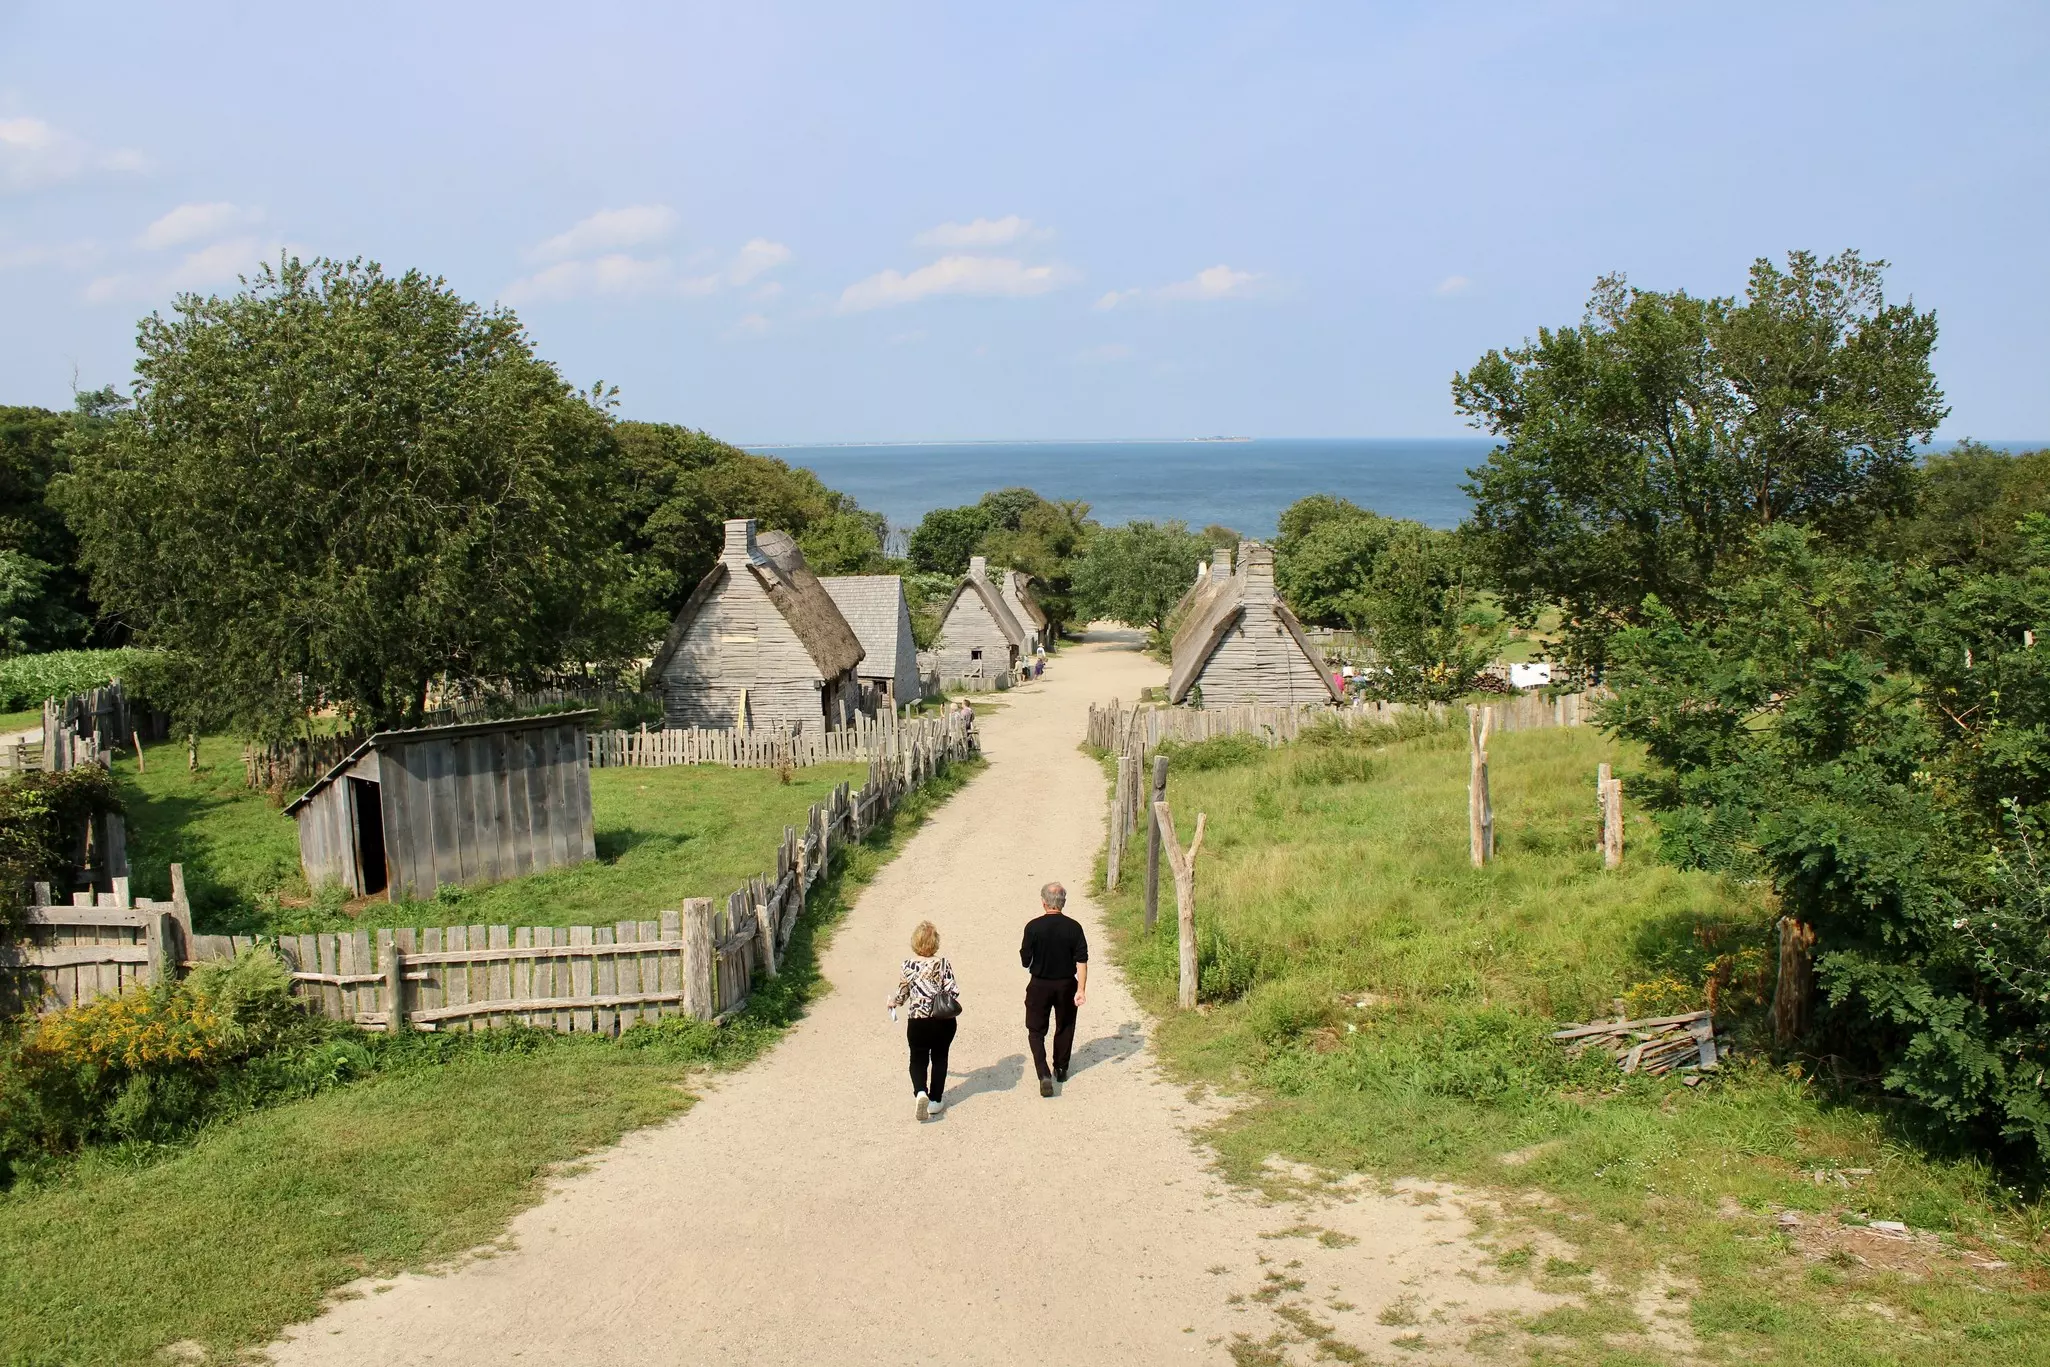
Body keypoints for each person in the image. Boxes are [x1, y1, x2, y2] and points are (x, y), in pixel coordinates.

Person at [887, 920, 960, 1122]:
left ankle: (920, 1091)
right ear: (935, 942)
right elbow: (954, 990)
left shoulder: (907, 966)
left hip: (917, 1020)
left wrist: (894, 1003)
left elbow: (902, 993)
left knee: (917, 1058)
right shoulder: (943, 964)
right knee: (940, 1058)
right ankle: (936, 1101)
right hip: (941, 1019)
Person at [1019, 881, 1087, 1096]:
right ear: (1063, 903)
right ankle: (1061, 1067)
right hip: (1067, 984)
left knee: (1036, 1030)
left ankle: (1043, 1073)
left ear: (1043, 902)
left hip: (1040, 984)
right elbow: (1082, 961)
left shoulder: (1033, 927)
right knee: (1065, 1025)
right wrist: (1081, 989)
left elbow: (1025, 959)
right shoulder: (1074, 927)